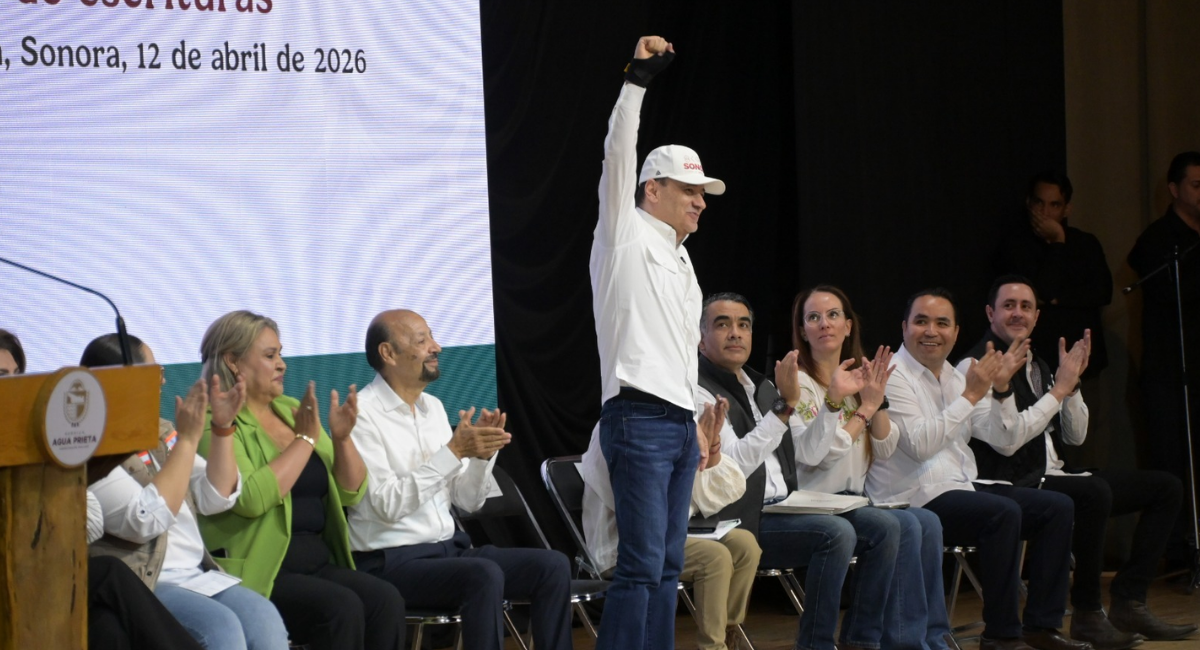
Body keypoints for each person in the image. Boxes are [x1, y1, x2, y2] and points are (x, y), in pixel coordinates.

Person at [578, 34, 727, 650]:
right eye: (689, 191)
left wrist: (694, 415)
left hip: (673, 421)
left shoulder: (682, 260)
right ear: (651, 190)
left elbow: (674, 353)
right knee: (640, 567)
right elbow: (618, 152)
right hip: (636, 417)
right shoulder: (623, 233)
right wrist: (636, 81)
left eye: (702, 194)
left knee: (668, 568)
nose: (700, 202)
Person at [961, 277, 1196, 645]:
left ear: (1037, 316)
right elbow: (1006, 444)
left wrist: (1071, 386)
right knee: (1092, 491)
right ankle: (1087, 611)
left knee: (1165, 488)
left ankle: (1129, 601)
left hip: (1054, 472)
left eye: (1026, 306)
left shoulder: (1038, 364)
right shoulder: (974, 365)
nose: (1018, 313)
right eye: (1008, 305)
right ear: (991, 313)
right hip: (1012, 480)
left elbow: (1075, 436)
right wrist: (1057, 391)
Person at [867, 289, 1084, 650]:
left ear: (955, 331)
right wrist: (970, 396)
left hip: (961, 486)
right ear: (904, 327)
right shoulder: (893, 375)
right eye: (921, 321)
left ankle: (1042, 627)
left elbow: (1004, 438)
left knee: (1056, 507)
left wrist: (1000, 392)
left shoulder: (955, 375)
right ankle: (1000, 635)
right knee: (1001, 513)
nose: (931, 331)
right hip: (912, 496)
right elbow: (920, 445)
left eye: (942, 323)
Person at [347, 309, 573, 650]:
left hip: (448, 552)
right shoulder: (362, 414)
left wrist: (480, 458)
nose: (435, 346)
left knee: (552, 566)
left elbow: (467, 502)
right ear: (388, 353)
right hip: (389, 562)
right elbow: (385, 505)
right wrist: (453, 452)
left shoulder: (435, 408)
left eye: (431, 337)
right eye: (421, 340)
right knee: (483, 574)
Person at [693, 292, 893, 650]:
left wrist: (832, 402)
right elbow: (733, 465)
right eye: (722, 325)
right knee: (836, 534)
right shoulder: (699, 391)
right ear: (700, 337)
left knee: (887, 526)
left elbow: (813, 452)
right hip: (741, 519)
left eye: (743, 325)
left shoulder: (763, 386)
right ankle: (815, 644)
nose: (735, 333)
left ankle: (863, 641)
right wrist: (784, 408)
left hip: (785, 505)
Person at [195, 310, 404, 650]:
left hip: (317, 562)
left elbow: (351, 492)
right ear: (233, 361)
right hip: (260, 570)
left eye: (280, 354)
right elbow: (249, 499)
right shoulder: (212, 423)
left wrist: (341, 439)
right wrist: (304, 441)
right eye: (269, 355)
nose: (282, 365)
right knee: (341, 608)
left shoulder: (292, 410)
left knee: (385, 600)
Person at [83, 333, 289, 650]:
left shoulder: (161, 430)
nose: (162, 383)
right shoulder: (91, 447)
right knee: (221, 629)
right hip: (147, 581)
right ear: (121, 382)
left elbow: (215, 497)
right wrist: (189, 441)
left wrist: (222, 429)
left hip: (196, 574)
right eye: (155, 374)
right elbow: (142, 521)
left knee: (266, 619)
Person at [789, 286, 953, 650]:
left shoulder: (858, 377)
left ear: (848, 326)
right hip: (811, 501)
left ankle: (922, 636)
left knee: (925, 520)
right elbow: (819, 455)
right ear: (802, 331)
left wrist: (875, 402)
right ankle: (879, 639)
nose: (824, 324)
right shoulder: (798, 383)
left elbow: (884, 445)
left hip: (849, 500)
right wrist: (861, 411)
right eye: (813, 317)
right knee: (896, 526)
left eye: (833, 315)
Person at [583, 418, 761, 650]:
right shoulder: (619, 425)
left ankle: (729, 631)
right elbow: (639, 507)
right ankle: (713, 646)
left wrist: (712, 447)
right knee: (715, 557)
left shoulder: (680, 419)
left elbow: (713, 493)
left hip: (669, 531)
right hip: (623, 542)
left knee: (745, 545)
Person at [1127, 151, 1200, 569]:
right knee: (1171, 465)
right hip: (1169, 373)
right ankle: (1177, 554)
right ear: (1174, 190)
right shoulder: (1159, 239)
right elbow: (1167, 293)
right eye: (1196, 185)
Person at [999, 171, 1112, 378]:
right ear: (1028, 203)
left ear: (1067, 208)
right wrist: (1058, 242)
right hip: (1035, 361)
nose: (1044, 212)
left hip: (1082, 362)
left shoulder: (1086, 243)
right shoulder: (1015, 246)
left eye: (1054, 205)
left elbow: (1102, 292)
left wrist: (1055, 300)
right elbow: (1042, 290)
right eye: (1039, 203)